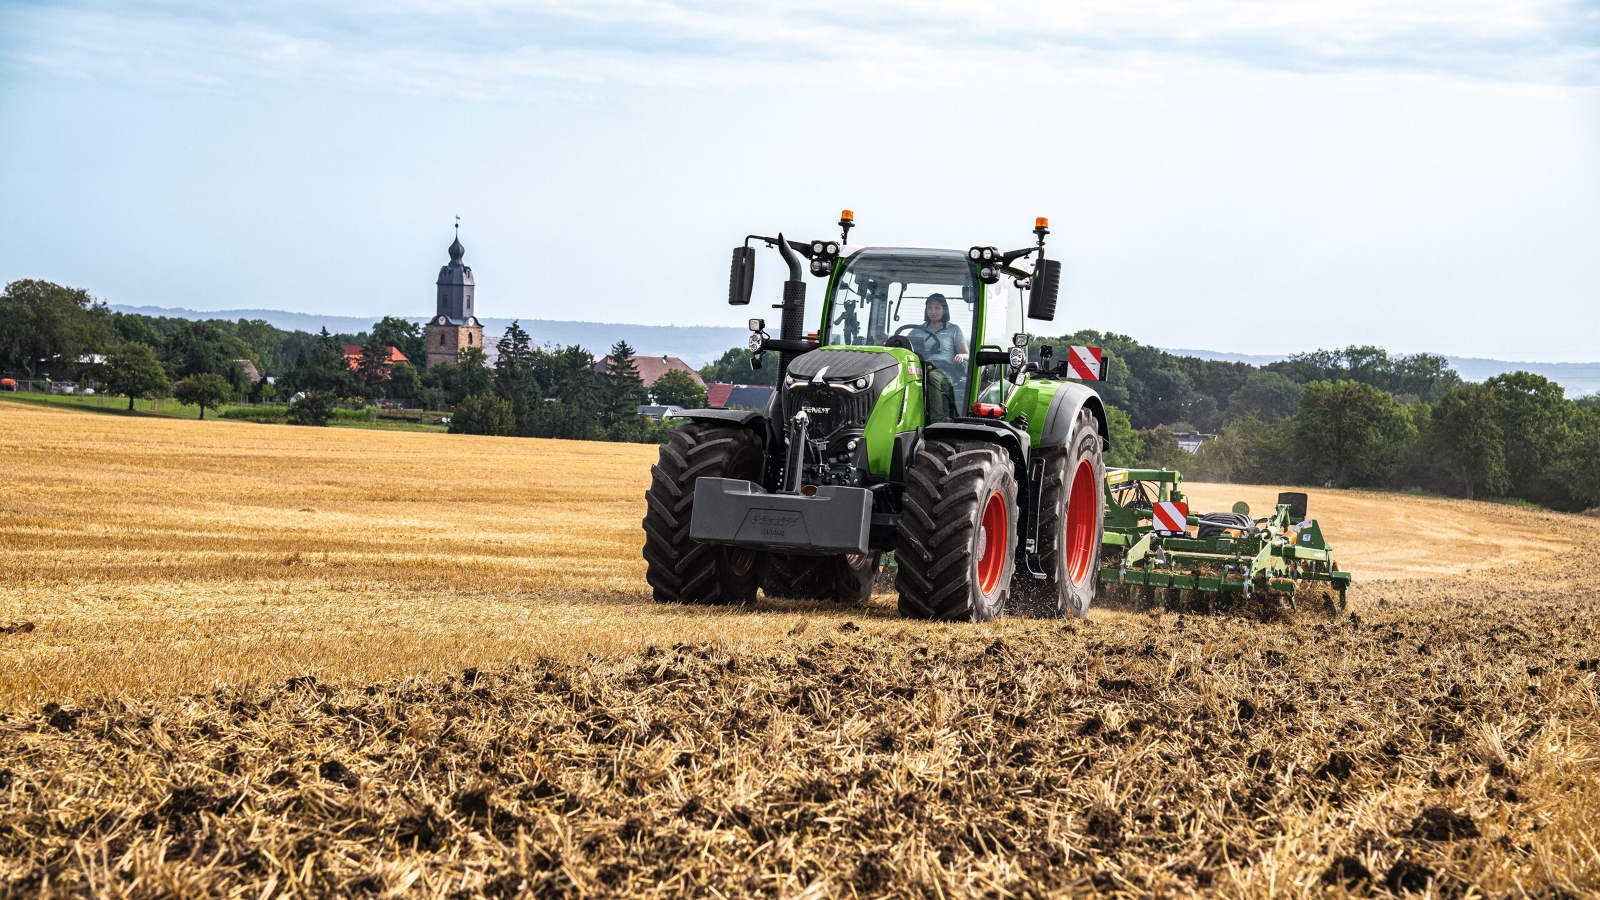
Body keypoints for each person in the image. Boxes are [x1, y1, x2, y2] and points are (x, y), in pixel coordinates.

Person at [920, 294, 969, 365]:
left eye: (937, 308)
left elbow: (967, 355)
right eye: (929, 308)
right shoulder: (918, 330)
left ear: (944, 310)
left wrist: (961, 356)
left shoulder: (953, 330)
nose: (933, 311)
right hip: (920, 368)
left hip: (945, 370)